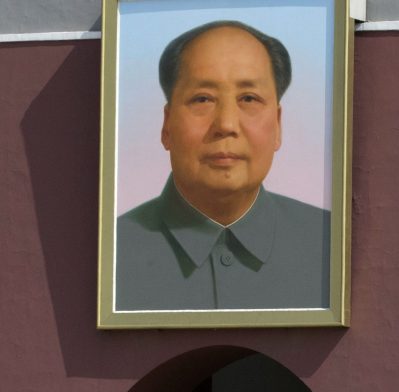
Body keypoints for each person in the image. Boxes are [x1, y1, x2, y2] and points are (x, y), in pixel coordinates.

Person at [116, 20, 330, 311]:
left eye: (248, 98)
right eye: (202, 99)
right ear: (166, 126)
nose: (226, 125)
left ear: (278, 126)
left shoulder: (330, 245)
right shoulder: (112, 253)